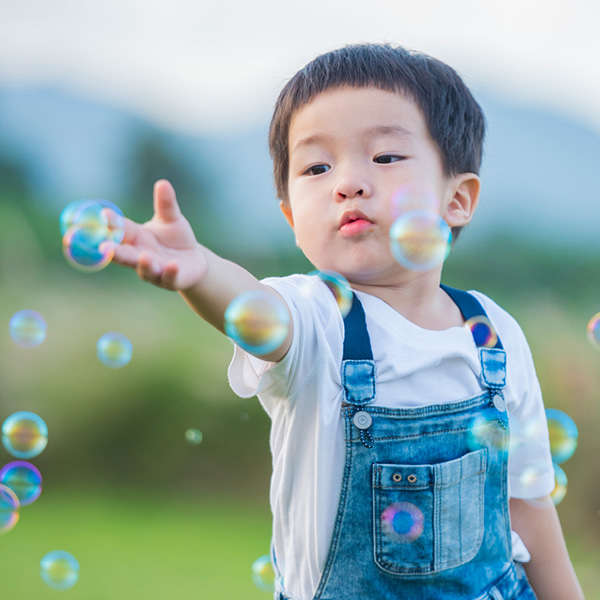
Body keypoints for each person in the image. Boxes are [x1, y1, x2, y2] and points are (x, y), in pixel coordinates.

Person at [109, 44, 584, 599]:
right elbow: (256, 313)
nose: (348, 183)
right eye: (316, 167)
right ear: (290, 216)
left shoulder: (494, 333)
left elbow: (526, 500)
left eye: (384, 158)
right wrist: (201, 272)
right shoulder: (316, 318)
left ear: (457, 199)